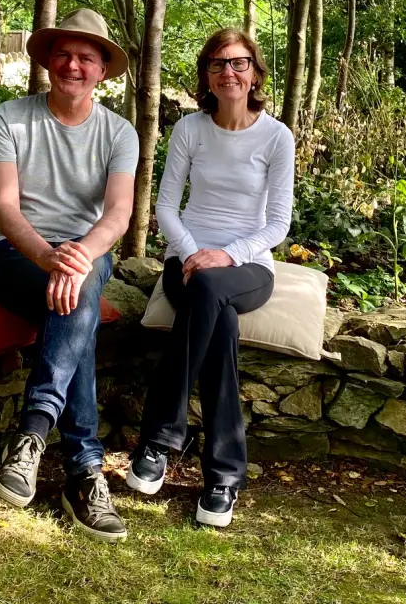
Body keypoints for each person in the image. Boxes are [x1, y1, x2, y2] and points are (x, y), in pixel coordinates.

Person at [0, 8, 138, 543]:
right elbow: (5, 206)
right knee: (81, 303)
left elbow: (117, 214)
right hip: (13, 253)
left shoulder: (120, 133)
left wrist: (78, 255)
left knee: (80, 291)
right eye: (64, 54)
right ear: (49, 61)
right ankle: (83, 473)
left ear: (101, 70)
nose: (73, 65)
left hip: (84, 257)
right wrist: (49, 256)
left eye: (85, 57)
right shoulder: (10, 117)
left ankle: (34, 437)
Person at [127, 28, 295, 527]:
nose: (229, 72)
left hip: (249, 266)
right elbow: (165, 205)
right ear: (206, 75)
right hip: (188, 261)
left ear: (255, 73)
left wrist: (228, 254)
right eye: (218, 64)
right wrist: (193, 253)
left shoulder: (277, 137)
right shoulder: (190, 130)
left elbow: (279, 224)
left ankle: (160, 437)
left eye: (239, 63)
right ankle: (223, 474)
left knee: (212, 291)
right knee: (212, 312)